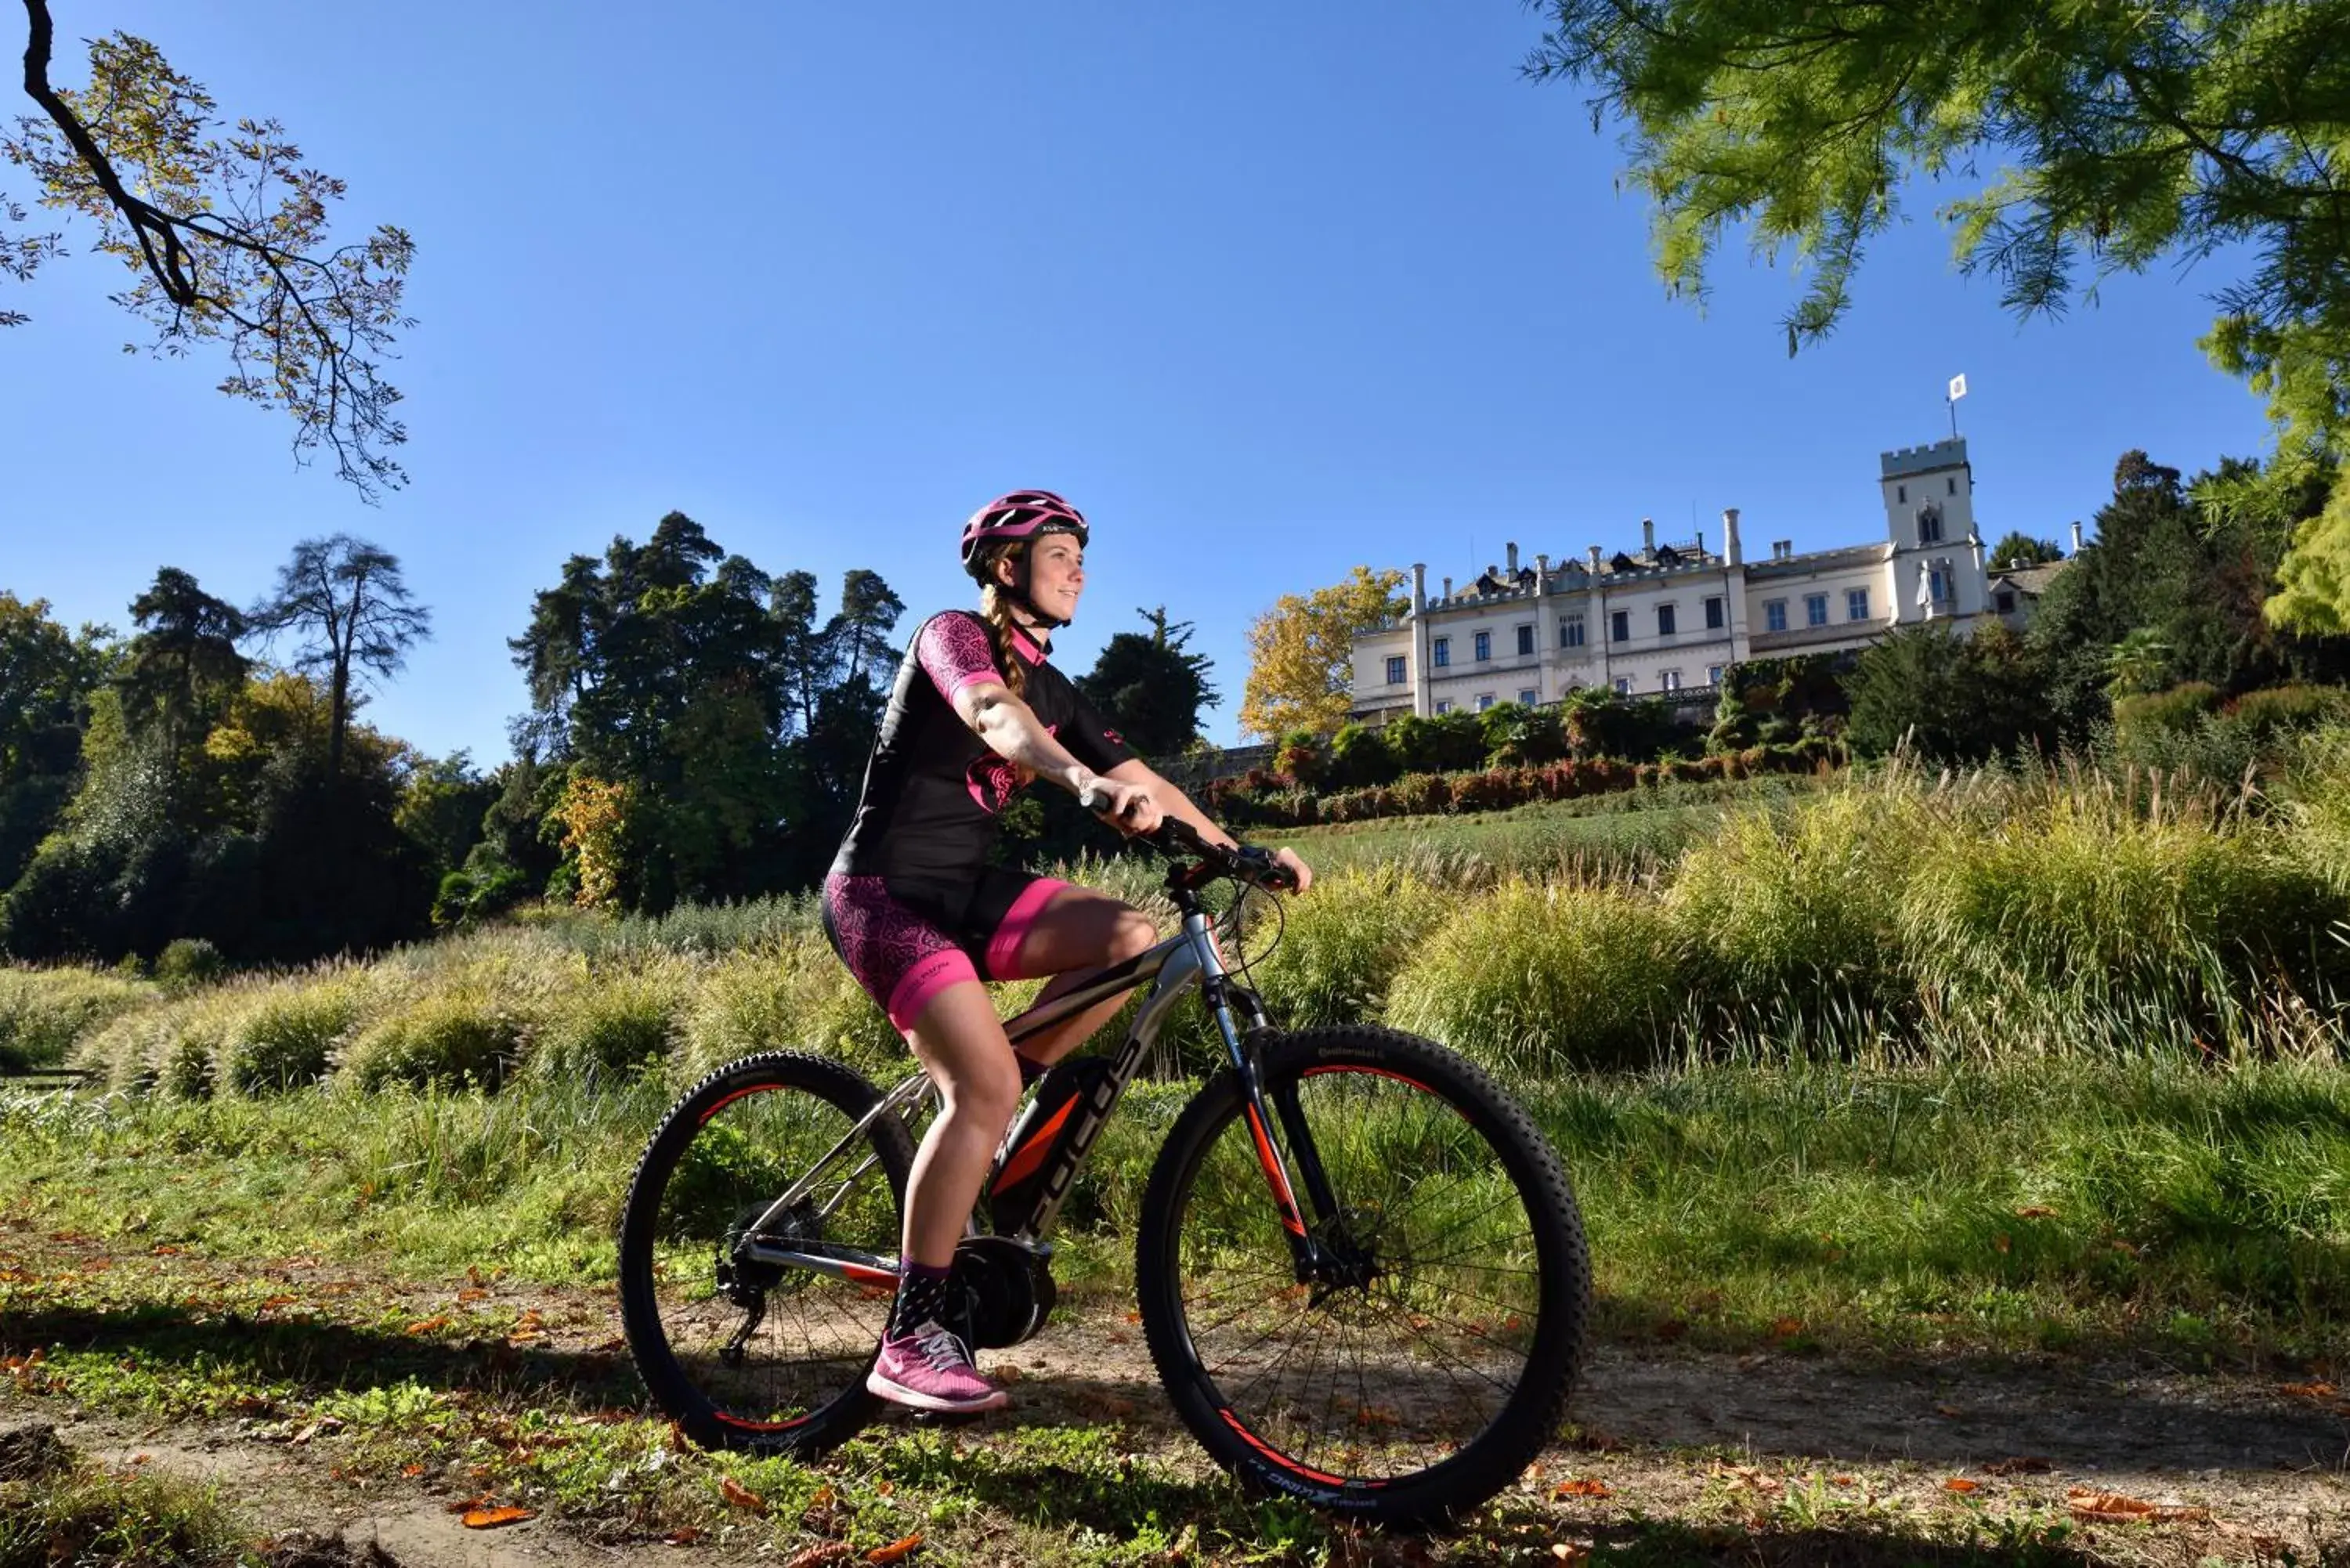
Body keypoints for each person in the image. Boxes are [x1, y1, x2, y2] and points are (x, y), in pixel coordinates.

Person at [821, 489, 1313, 1414]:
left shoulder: (1060, 689)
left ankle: (993, 1098)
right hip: (884, 893)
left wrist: (1236, 849)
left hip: (969, 891)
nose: (1080, 568)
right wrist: (1076, 780)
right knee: (985, 1089)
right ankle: (911, 1336)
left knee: (1126, 935)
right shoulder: (953, 635)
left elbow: (1148, 781)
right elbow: (994, 716)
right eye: (1059, 553)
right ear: (1008, 568)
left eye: (1081, 554)